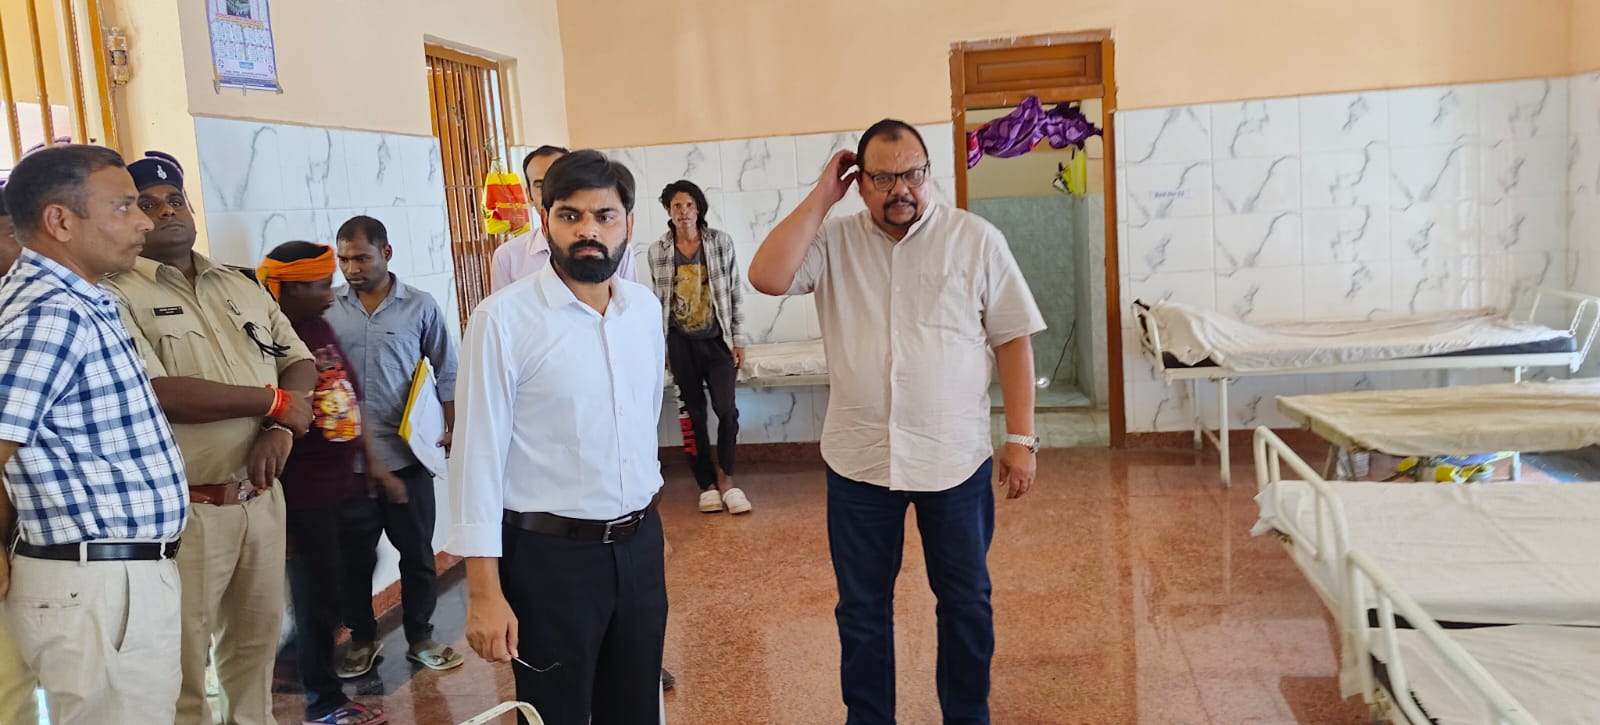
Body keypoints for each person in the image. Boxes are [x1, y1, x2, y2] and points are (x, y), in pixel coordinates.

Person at [748, 120, 1045, 725]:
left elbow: (1013, 339)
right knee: (861, 610)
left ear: (929, 173)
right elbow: (767, 277)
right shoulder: (833, 241)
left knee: (966, 603)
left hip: (954, 459)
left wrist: (1020, 438)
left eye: (913, 174)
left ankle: (968, 716)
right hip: (859, 463)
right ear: (859, 183)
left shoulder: (975, 240)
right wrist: (821, 197)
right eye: (883, 178)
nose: (901, 189)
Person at [450, 149, 667, 725]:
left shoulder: (643, 311)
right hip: (549, 559)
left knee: (637, 708)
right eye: (571, 215)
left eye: (605, 216)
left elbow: (643, 425)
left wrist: (649, 524)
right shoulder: (502, 320)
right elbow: (476, 459)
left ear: (628, 223)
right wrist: (483, 592)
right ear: (545, 220)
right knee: (555, 713)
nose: (588, 231)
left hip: (639, 547)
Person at [105, 150, 316, 725]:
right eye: (148, 204)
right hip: (188, 513)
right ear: (130, 218)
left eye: (175, 200)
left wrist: (279, 427)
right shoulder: (116, 296)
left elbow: (297, 361)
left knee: (255, 650)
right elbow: (160, 392)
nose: (166, 212)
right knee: (183, 664)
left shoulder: (240, 284)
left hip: (260, 500)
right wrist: (275, 403)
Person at [0, 144, 189, 723]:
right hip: (99, 582)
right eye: (124, 206)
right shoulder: (50, 313)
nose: (144, 222)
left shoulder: (84, 299)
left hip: (110, 578)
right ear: (61, 221)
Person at [257, 241, 397, 725]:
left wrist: (375, 465)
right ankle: (323, 701)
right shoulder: (268, 336)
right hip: (304, 492)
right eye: (318, 285)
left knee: (361, 563)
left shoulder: (318, 327)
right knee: (317, 596)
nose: (330, 292)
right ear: (286, 289)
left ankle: (294, 656)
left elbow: (349, 397)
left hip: (345, 482)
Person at [326, 215, 464, 676]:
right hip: (350, 465)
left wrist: (451, 428)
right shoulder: (329, 309)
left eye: (361, 258)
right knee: (353, 559)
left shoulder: (420, 306)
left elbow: (446, 369)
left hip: (407, 457)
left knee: (418, 554)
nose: (352, 268)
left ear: (386, 253)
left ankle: (421, 637)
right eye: (344, 259)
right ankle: (362, 640)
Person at [647, 179, 751, 514]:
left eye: (689, 205)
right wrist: (661, 347)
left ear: (699, 208)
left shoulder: (720, 243)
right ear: (668, 211)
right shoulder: (658, 251)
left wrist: (738, 340)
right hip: (680, 344)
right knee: (692, 415)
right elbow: (658, 303)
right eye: (676, 206)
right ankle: (705, 484)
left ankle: (726, 479)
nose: (683, 212)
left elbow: (734, 292)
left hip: (717, 341)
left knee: (727, 410)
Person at [490, 145, 636, 293]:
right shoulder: (507, 257)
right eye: (541, 185)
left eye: (604, 218)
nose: (587, 231)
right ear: (529, 195)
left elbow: (628, 300)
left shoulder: (618, 249)